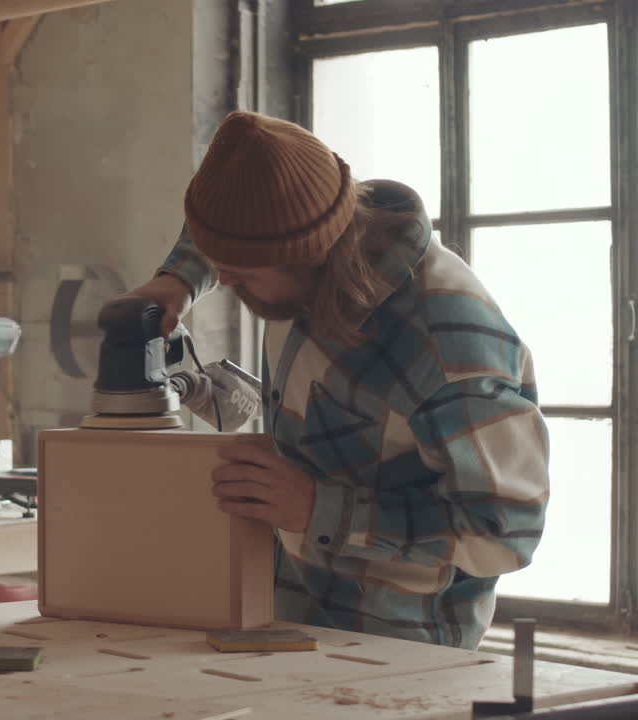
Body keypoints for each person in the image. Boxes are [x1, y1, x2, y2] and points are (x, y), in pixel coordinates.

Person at [129, 111, 548, 649]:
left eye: (241, 270)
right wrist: (179, 279)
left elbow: (505, 535)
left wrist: (317, 509)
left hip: (397, 647)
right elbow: (226, 226)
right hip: (285, 612)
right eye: (219, 263)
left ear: (313, 251)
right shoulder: (316, 210)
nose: (226, 279)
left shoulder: (445, 349)